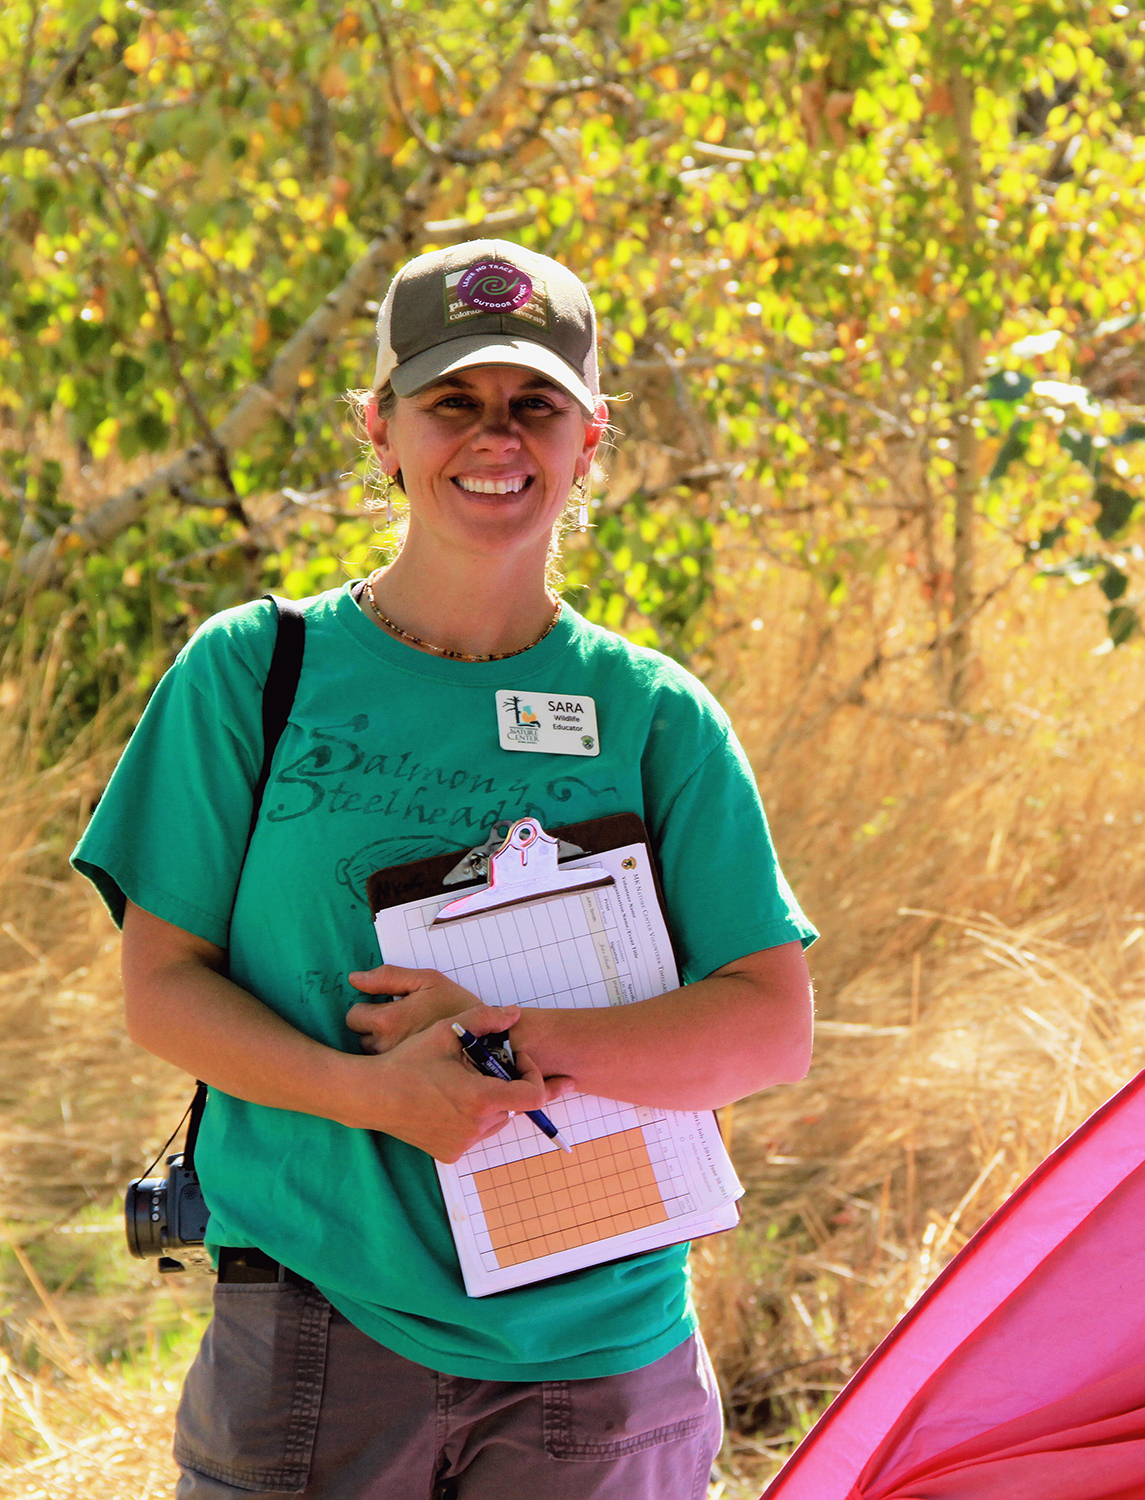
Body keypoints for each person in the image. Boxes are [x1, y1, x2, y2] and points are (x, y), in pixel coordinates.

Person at [72, 239, 818, 1499]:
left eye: (536, 405)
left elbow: (764, 1033)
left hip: (601, 1358)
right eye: (452, 403)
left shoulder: (654, 715)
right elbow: (164, 990)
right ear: (381, 429)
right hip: (317, 1331)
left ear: (590, 441)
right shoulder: (253, 673)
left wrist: (504, 1036)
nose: (497, 438)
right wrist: (369, 1094)